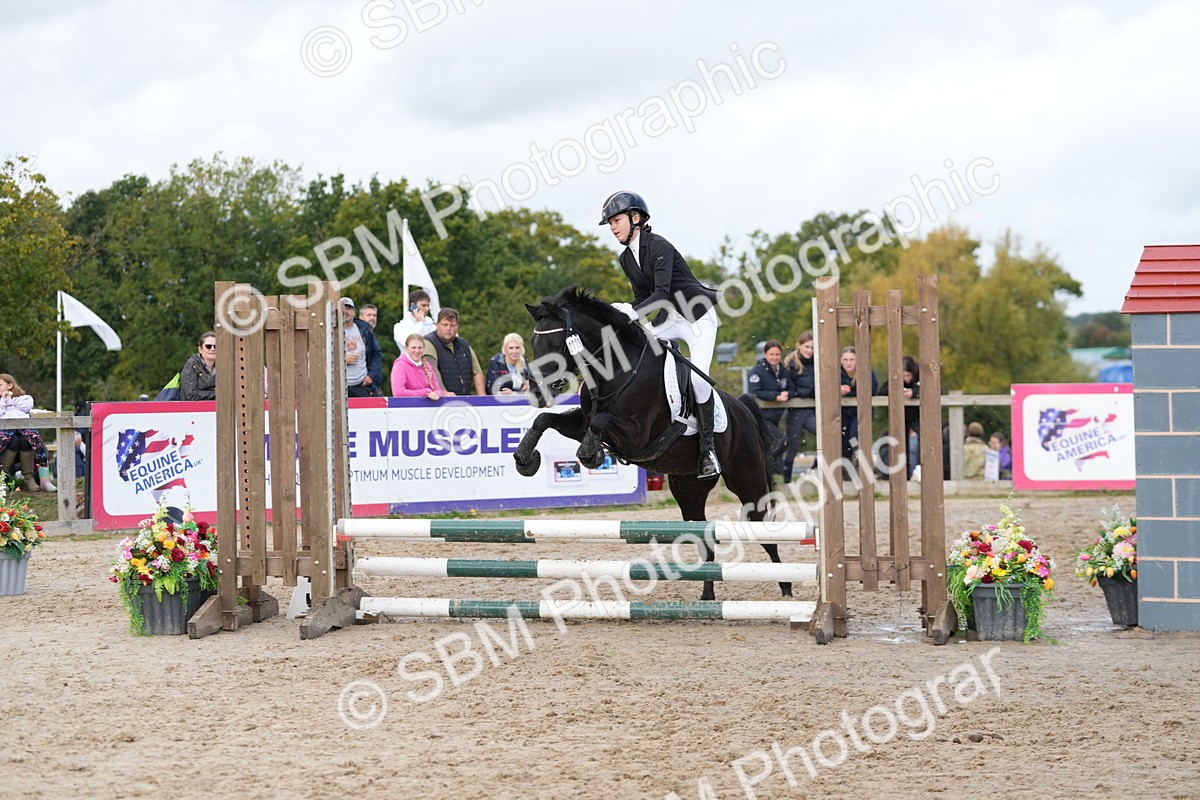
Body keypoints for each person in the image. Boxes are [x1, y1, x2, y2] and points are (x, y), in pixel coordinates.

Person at [600, 190, 722, 478]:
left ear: (636, 218)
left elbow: (661, 294)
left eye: (616, 220)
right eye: (611, 223)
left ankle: (708, 452)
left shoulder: (659, 246)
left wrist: (633, 312)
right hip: (669, 318)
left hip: (697, 318)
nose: (613, 227)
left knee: (699, 381)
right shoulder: (626, 258)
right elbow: (643, 295)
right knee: (638, 356)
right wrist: (624, 311)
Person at [0, 373, 56, 492]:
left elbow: (25, 407)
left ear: (10, 385)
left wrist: (11, 397)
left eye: (0, 385)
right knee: (13, 441)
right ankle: (2, 478)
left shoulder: (24, 398)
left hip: (24, 430)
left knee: (28, 441)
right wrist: (3, 401)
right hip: (5, 433)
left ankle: (31, 478)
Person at [748, 340, 796, 478]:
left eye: (777, 354)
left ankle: (773, 476)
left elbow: (792, 388)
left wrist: (788, 394)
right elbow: (754, 392)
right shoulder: (757, 372)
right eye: (771, 354)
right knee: (782, 441)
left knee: (772, 446)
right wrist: (775, 396)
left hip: (774, 419)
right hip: (761, 418)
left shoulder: (782, 371)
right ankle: (769, 471)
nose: (774, 357)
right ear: (765, 354)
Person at [423, 308, 484, 396]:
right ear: (437, 324)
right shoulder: (428, 342)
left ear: (457, 326)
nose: (448, 328)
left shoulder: (464, 345)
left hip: (465, 399)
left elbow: (477, 372)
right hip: (439, 402)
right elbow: (431, 371)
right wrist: (443, 392)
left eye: (452, 325)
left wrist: (482, 396)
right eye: (445, 324)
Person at [781, 331, 818, 482]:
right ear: (799, 346)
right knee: (792, 446)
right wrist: (804, 392)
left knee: (825, 437)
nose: (810, 350)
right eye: (807, 347)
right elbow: (789, 387)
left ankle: (814, 468)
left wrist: (806, 392)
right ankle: (786, 480)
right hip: (795, 410)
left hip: (811, 410)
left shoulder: (817, 362)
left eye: (812, 347)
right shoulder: (791, 363)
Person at [880, 355, 920, 479]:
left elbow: (932, 389)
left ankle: (921, 470)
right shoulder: (893, 377)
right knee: (902, 447)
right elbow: (882, 391)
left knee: (924, 438)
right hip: (899, 416)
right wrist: (897, 390)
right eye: (903, 376)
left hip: (916, 415)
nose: (906, 379)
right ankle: (905, 475)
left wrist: (914, 392)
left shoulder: (921, 376)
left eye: (908, 376)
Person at [839, 346, 878, 463]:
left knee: (855, 434)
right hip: (843, 412)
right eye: (845, 360)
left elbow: (873, 389)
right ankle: (847, 467)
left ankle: (859, 458)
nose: (849, 363)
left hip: (861, 411)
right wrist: (838, 390)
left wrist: (849, 393)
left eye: (852, 359)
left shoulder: (866, 371)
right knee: (843, 437)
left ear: (857, 360)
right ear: (841, 360)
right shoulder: (836, 373)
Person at [341, 297, 383, 397]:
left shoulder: (364, 329)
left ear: (354, 312)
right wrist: (342, 360)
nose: (345, 311)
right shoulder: (330, 331)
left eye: (348, 308)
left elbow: (376, 354)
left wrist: (371, 376)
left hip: (361, 385)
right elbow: (322, 357)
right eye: (342, 308)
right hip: (339, 385)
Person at [391, 334, 444, 400]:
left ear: (424, 348)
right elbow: (398, 393)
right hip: (406, 408)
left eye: (420, 347)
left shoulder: (427, 366)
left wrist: (436, 394)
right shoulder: (400, 365)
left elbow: (438, 390)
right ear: (406, 348)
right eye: (413, 347)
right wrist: (425, 392)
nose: (417, 351)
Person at [179, 331, 218, 401]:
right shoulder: (191, 364)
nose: (212, 349)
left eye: (216, 346)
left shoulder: (223, 366)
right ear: (200, 349)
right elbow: (191, 395)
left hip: (215, 410)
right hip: (192, 410)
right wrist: (216, 392)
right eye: (208, 346)